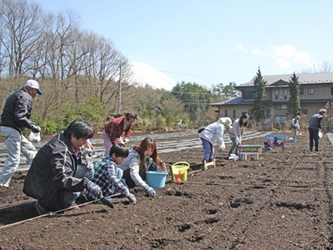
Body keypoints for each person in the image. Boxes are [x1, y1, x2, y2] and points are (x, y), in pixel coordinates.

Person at [23, 119, 103, 215]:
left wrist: (81, 157)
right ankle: (52, 204)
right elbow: (61, 178)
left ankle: (68, 198)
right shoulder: (59, 150)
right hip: (43, 187)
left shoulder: (66, 139)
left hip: (48, 181)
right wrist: (86, 184)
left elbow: (71, 163)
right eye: (84, 139)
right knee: (82, 181)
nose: (86, 142)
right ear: (73, 136)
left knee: (88, 170)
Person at [0, 79, 43, 188]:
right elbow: (20, 117)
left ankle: (41, 173)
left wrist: (32, 125)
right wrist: (33, 127)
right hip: (12, 128)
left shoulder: (17, 94)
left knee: (30, 150)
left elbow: (19, 116)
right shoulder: (25, 97)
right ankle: (2, 182)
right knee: (14, 158)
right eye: (36, 92)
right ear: (31, 89)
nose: (36, 95)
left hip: (13, 128)